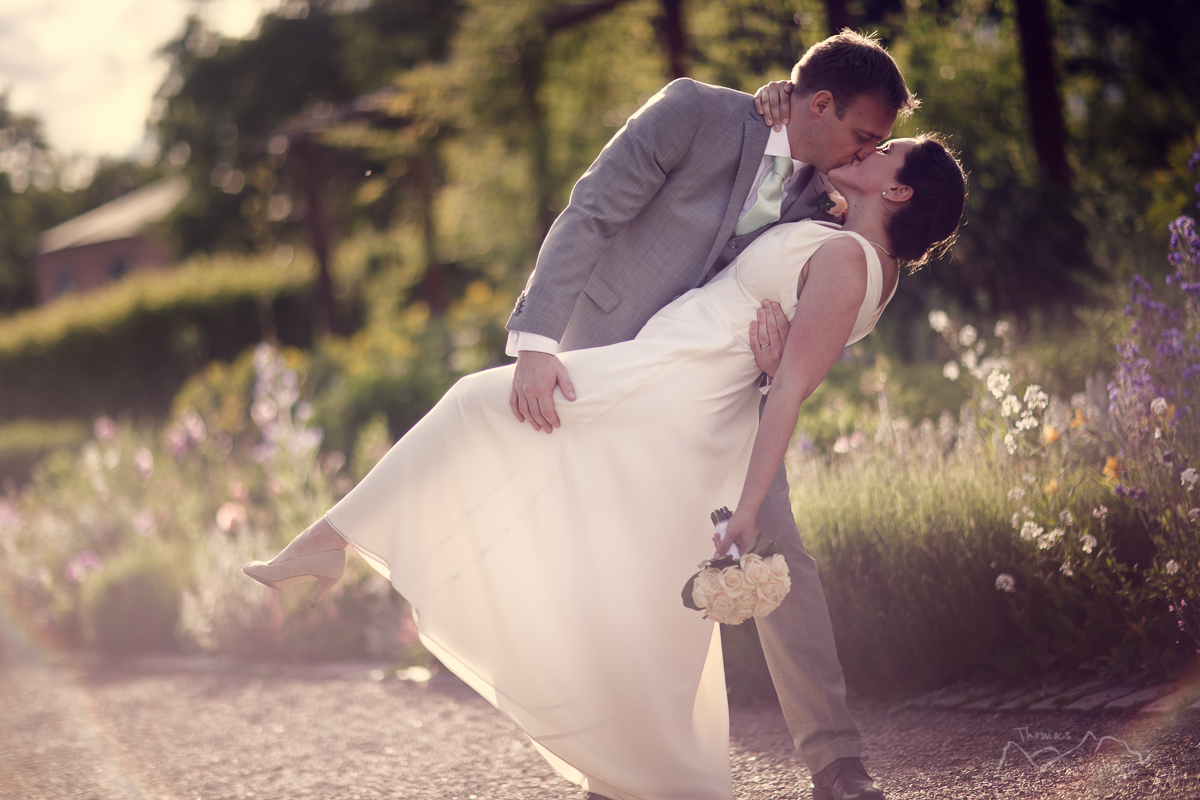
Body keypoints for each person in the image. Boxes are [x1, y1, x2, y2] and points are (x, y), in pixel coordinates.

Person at [243, 123, 967, 800]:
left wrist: (747, 507)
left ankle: (331, 540)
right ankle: (643, 772)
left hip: (671, 388)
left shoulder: (846, 259)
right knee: (640, 585)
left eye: (883, 151)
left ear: (897, 191)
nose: (866, 148)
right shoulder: (848, 244)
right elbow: (774, 299)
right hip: (666, 372)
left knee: (474, 403)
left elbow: (790, 396)